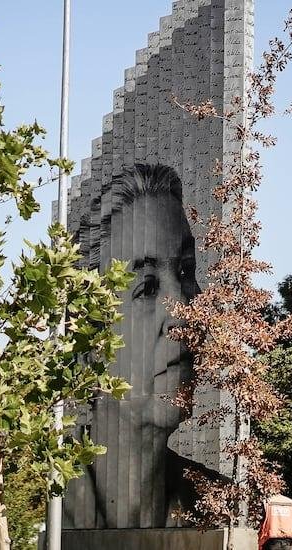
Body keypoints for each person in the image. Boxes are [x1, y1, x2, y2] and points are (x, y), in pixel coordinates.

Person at [66, 163, 216, 528]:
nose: (182, 312)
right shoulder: (53, 500)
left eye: (186, 270)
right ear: (89, 343)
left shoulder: (213, 505)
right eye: (147, 287)